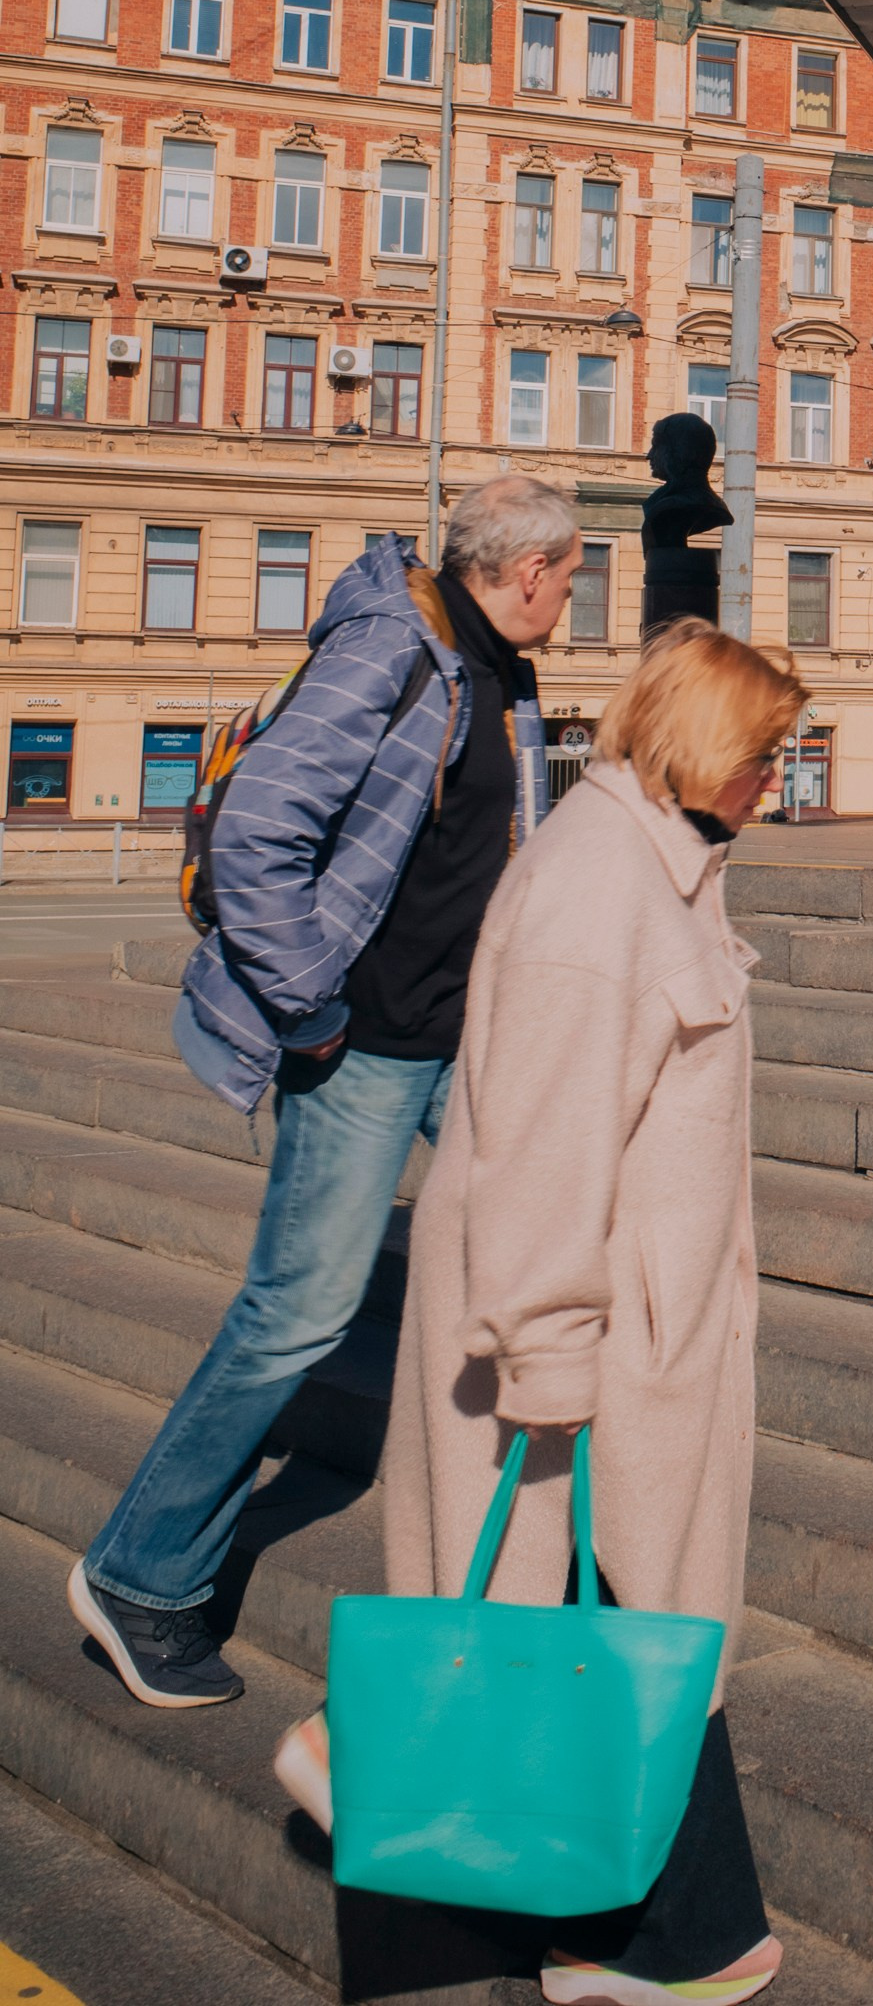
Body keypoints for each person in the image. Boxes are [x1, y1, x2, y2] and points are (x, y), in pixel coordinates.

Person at [69, 479, 581, 1712]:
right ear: (526, 571)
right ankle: (140, 1577)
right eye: (570, 577)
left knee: (543, 1262)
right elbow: (255, 834)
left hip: (463, 1044)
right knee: (294, 1319)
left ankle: (551, 1563)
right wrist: (313, 1009)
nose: (572, 599)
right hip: (366, 1050)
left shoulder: (497, 671)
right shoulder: (394, 652)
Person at [381, 617, 809, 2006]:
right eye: (764, 754)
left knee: (619, 1620)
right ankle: (656, 1940)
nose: (777, 780)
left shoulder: (660, 864)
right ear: (694, 741)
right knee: (616, 1620)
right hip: (582, 1339)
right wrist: (553, 1351)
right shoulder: (596, 892)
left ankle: (634, 1931)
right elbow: (546, 1145)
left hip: (639, 1332)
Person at [642, 414, 732, 635]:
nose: (649, 456)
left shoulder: (680, 507)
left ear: (678, 452)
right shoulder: (661, 505)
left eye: (656, 446)